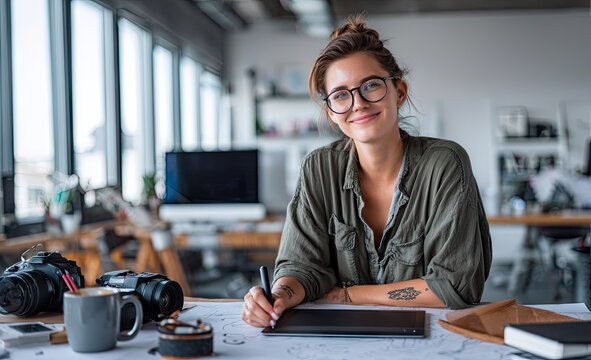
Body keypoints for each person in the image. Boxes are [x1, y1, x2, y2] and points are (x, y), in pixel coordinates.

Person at [242, 15, 492, 328]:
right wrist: (278, 296)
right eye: (340, 95)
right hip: (339, 341)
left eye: (371, 86)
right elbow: (302, 267)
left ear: (398, 92)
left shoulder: (445, 163)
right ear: (331, 113)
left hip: (432, 341)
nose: (357, 103)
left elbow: (454, 287)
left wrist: (348, 295)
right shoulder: (318, 168)